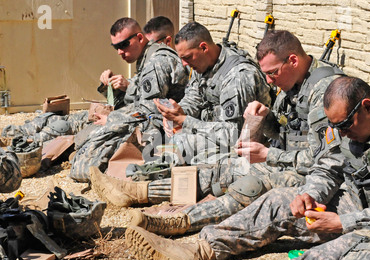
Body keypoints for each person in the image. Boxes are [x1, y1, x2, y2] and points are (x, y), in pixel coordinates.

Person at [124, 76, 370, 260]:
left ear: (367, 106)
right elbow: (328, 167)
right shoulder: (347, 126)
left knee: (347, 245)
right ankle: (201, 249)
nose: (342, 133)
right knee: (279, 200)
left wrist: (343, 222)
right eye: (336, 127)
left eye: (345, 126)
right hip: (358, 203)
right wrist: (310, 194)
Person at [91, 30, 345, 238]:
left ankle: (183, 221)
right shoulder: (291, 83)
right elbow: (283, 131)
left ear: (293, 61)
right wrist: (264, 118)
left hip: (315, 175)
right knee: (220, 170)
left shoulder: (325, 93)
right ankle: (140, 191)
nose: (268, 81)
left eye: (272, 73)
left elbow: (322, 160)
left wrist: (270, 153)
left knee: (249, 182)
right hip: (286, 156)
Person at [90, 21, 273, 204]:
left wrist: (185, 121)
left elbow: (234, 135)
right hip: (214, 133)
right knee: (168, 144)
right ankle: (138, 180)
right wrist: (176, 111)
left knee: (186, 150)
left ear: (203, 47)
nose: (184, 63)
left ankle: (142, 192)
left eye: (187, 57)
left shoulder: (237, 77)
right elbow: (194, 96)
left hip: (246, 146)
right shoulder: (204, 64)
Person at [1, 16, 186, 145]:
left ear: (139, 38)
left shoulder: (157, 60)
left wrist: (112, 118)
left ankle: (23, 142)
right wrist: (113, 86)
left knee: (78, 127)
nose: (120, 52)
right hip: (136, 119)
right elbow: (136, 97)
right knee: (70, 119)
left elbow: (148, 109)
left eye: (124, 45)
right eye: (116, 47)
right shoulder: (146, 59)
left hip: (156, 129)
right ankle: (15, 132)